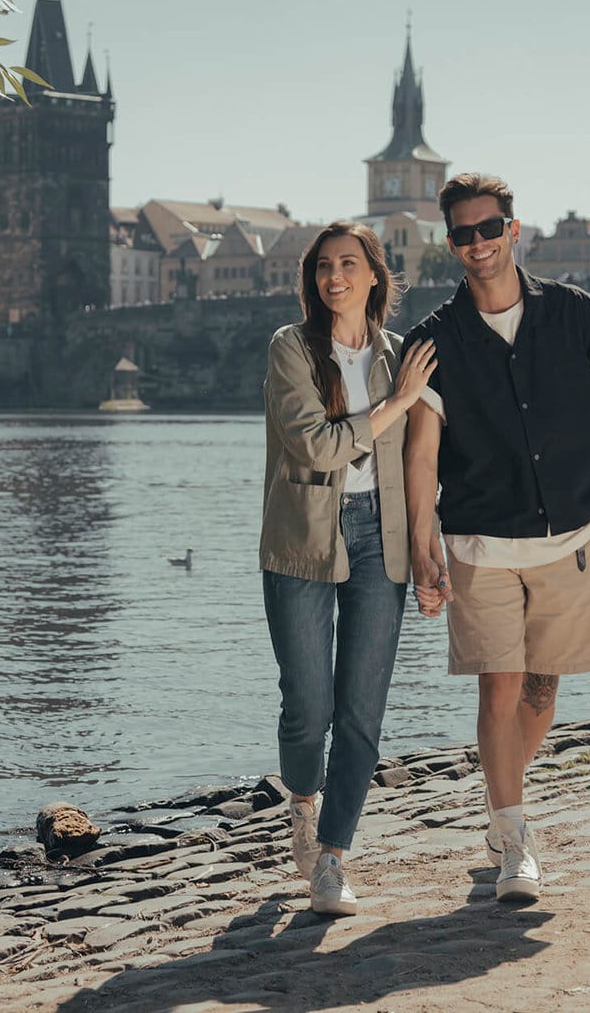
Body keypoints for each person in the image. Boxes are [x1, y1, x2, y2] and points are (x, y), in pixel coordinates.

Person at [404, 173, 590, 903]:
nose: (477, 243)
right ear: (451, 244)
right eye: (463, 233)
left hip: (571, 531)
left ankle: (501, 802)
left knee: (542, 689)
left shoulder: (573, 312)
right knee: (500, 684)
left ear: (513, 229)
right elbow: (420, 453)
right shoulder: (433, 339)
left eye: (489, 228)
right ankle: (514, 839)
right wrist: (421, 542)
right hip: (479, 540)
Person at [260, 220, 436, 915]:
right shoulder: (292, 347)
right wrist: (396, 404)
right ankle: (302, 802)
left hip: (380, 539)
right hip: (303, 536)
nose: (334, 277)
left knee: (362, 712)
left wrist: (427, 547)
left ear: (373, 275)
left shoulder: (401, 356)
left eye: (348, 264)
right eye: (323, 267)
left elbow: (421, 461)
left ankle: (332, 858)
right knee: (308, 708)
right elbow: (316, 448)